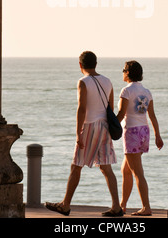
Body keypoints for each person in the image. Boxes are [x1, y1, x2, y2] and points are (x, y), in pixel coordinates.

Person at [45, 51, 123, 217]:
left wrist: (78, 133)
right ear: (96, 63)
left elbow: (82, 108)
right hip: (104, 126)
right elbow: (110, 108)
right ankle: (117, 206)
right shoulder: (107, 81)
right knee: (106, 168)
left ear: (80, 65)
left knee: (76, 166)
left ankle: (65, 205)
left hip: (89, 126)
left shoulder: (83, 82)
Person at [117, 60, 163, 216]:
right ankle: (122, 205)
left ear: (128, 73)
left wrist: (108, 128)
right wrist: (157, 135)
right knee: (126, 170)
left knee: (137, 172)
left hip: (132, 133)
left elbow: (122, 114)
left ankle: (146, 207)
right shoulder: (146, 92)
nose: (122, 72)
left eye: (124, 70)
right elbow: (152, 115)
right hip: (144, 132)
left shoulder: (126, 91)